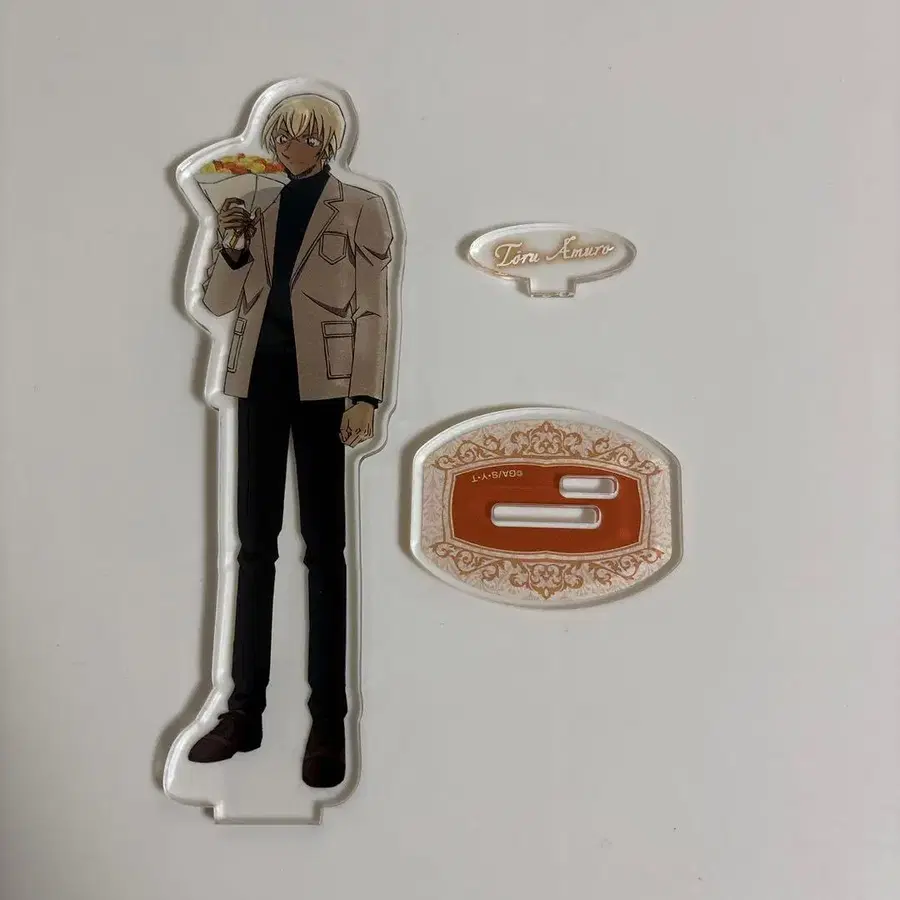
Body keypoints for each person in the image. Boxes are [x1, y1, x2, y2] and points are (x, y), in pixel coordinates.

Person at [187, 93, 394, 788]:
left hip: (326, 386)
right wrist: (231, 245)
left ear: (325, 142)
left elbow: (374, 305)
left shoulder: (360, 206)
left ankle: (328, 720)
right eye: (280, 137)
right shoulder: (258, 202)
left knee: (326, 551)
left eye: (299, 138)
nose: (286, 148)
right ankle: (242, 710)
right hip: (257, 380)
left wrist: (365, 396)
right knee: (253, 548)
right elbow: (219, 303)